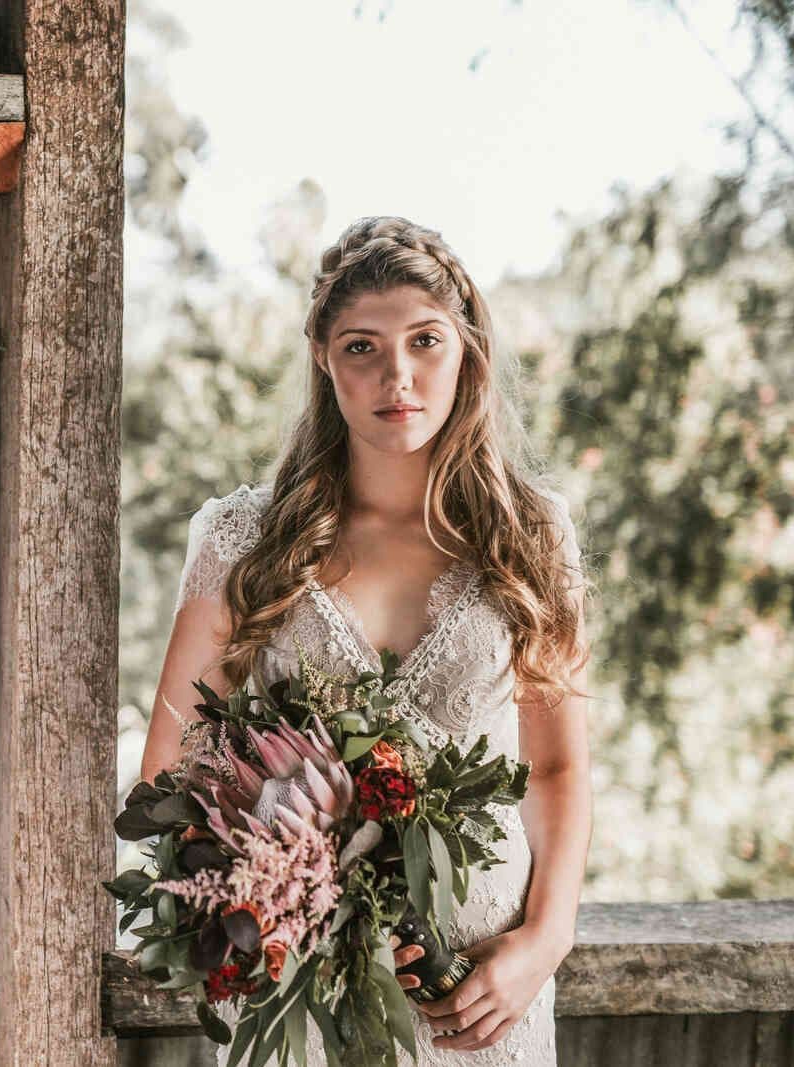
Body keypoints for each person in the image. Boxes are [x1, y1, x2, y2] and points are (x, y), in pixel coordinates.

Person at [139, 216, 594, 1065]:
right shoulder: (246, 541)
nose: (398, 375)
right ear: (323, 357)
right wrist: (277, 892)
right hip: (302, 998)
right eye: (362, 346)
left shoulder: (531, 535)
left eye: (425, 340)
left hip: (482, 996)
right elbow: (170, 770)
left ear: (466, 348)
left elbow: (557, 768)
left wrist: (544, 941)